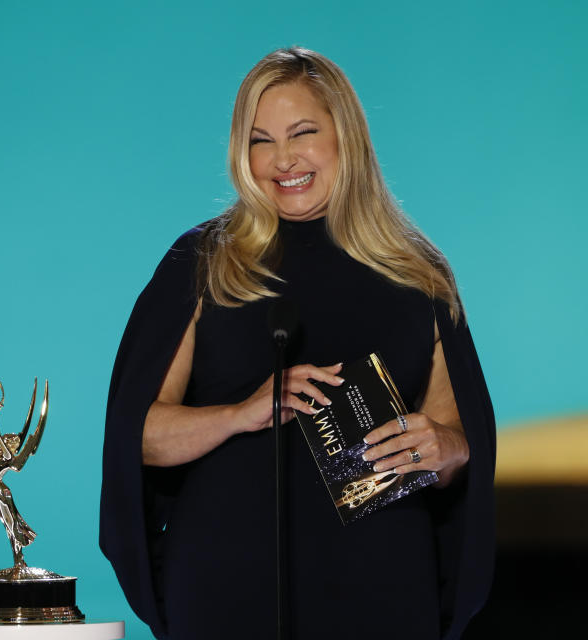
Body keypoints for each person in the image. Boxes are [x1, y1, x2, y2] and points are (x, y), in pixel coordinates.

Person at [100, 47, 495, 640]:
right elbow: (139, 437)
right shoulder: (206, 263)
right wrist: (238, 415)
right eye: (260, 140)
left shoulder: (418, 275)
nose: (282, 160)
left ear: (346, 137)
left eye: (302, 133)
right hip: (229, 588)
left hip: (383, 587)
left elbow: (457, 444)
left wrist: (446, 448)